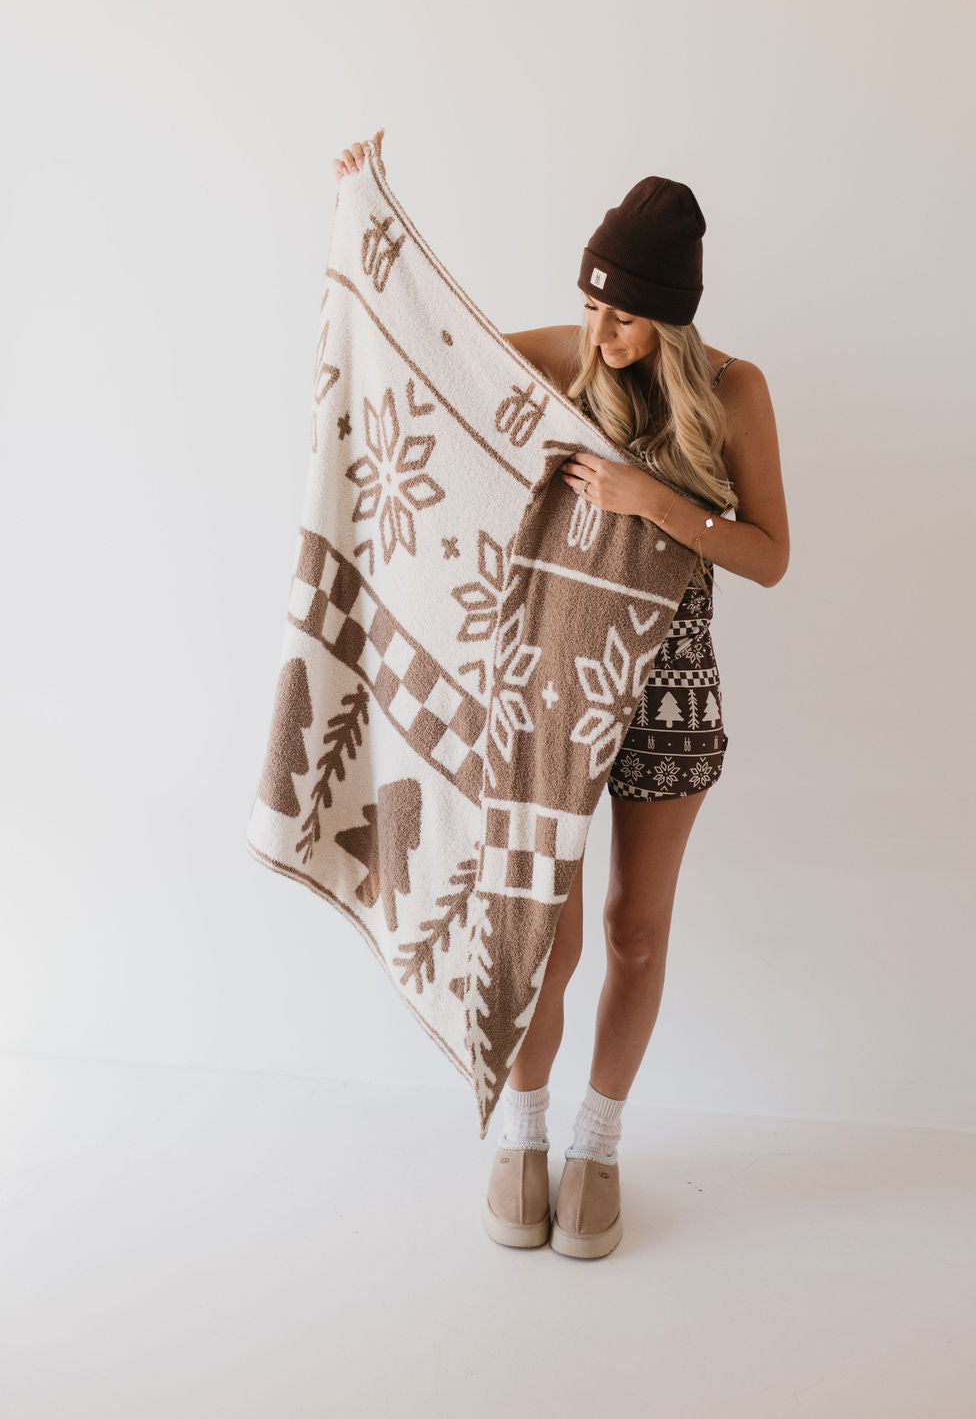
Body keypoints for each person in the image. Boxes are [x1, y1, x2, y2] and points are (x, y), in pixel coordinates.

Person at [332, 133, 790, 1258]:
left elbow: (770, 552)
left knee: (636, 929)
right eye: (590, 306)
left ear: (671, 318)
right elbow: (436, 355)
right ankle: (521, 1134)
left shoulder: (735, 393)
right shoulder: (574, 362)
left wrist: (655, 499)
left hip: (669, 697)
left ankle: (595, 1143)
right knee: (547, 925)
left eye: (625, 316)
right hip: (553, 691)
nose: (599, 333)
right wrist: (365, 211)